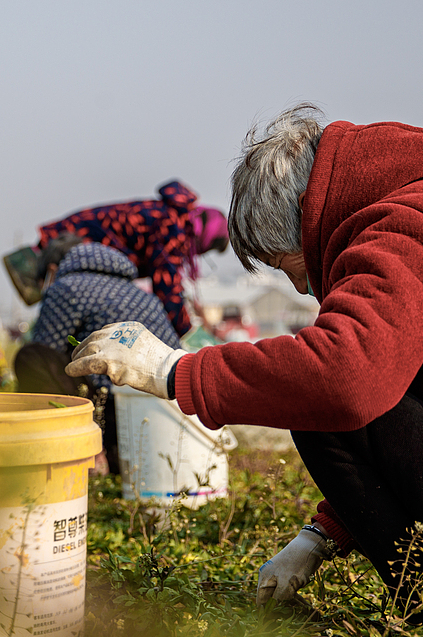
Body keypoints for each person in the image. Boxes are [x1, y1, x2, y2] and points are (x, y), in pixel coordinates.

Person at [66, 102, 423, 611]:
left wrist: (174, 371)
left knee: (318, 407)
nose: (302, 284)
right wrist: (320, 535)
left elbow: (345, 376)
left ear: (306, 210)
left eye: (287, 263)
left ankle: (417, 600)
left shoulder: (404, 220)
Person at [15, 242, 182, 474]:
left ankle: (79, 450)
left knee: (31, 357)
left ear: (52, 269)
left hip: (114, 407)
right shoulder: (138, 292)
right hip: (168, 406)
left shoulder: (65, 287)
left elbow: (46, 348)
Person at [3, 179, 229, 338]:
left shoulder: (170, 216)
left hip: (72, 246)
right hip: (71, 248)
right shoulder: (172, 227)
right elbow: (167, 285)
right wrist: (186, 333)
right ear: (206, 237)